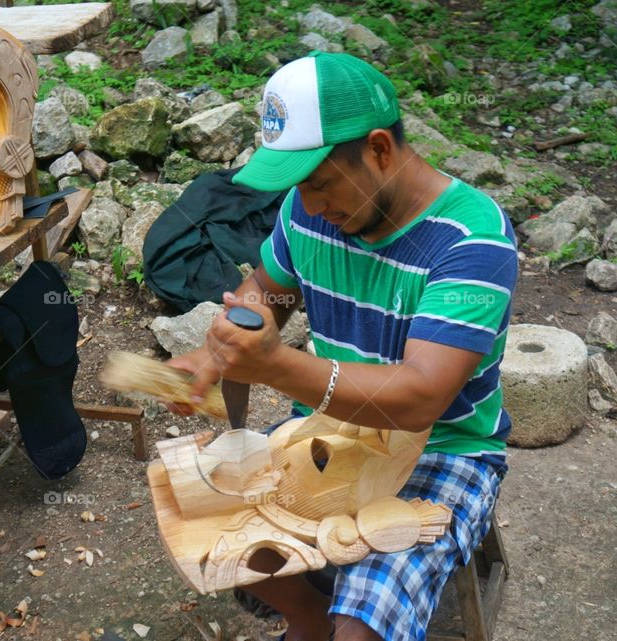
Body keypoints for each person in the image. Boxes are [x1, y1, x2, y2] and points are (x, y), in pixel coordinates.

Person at [167, 51, 518, 641]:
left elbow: (420, 398)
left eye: (321, 183)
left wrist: (276, 366)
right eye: (298, 187)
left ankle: (340, 622)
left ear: (379, 149)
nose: (309, 205)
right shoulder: (310, 214)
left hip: (446, 450)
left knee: (364, 621)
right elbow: (268, 293)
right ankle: (307, 619)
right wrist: (223, 347)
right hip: (324, 431)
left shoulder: (472, 240)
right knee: (198, 507)